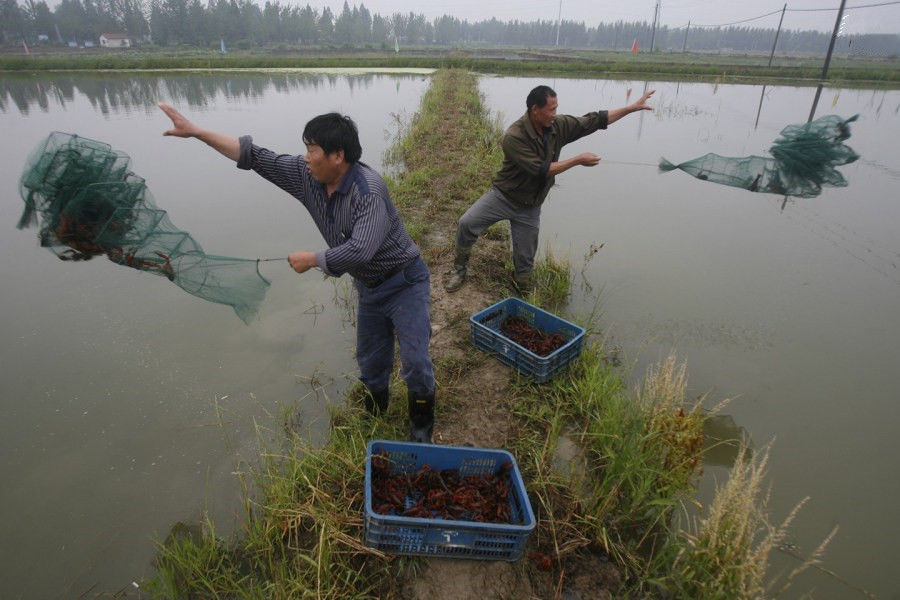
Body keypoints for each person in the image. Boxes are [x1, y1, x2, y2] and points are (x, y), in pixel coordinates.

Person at [158, 104, 436, 443]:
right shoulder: (308, 177)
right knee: (371, 359)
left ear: (337, 155)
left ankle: (421, 429)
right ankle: (373, 417)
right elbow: (254, 155)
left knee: (415, 361)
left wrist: (313, 259)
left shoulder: (369, 191)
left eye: (312, 150)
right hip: (369, 286)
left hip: (404, 281)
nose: (305, 157)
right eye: (305, 148)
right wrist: (197, 132)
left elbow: (361, 249)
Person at [444, 85, 655, 293]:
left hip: (530, 206)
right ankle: (459, 269)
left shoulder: (558, 125)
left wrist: (631, 108)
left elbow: (595, 120)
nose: (555, 114)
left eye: (556, 108)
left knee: (525, 264)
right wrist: (578, 159)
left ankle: (521, 289)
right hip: (504, 197)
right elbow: (541, 170)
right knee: (466, 223)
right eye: (551, 109)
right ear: (535, 109)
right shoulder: (514, 136)